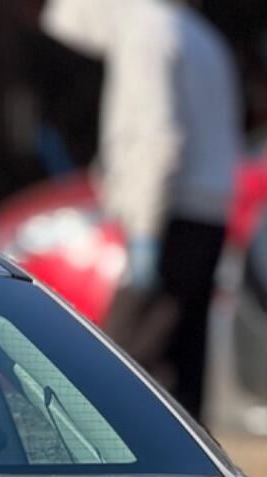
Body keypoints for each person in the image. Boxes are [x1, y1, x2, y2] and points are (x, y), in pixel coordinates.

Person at [36, 0, 244, 421]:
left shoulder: (143, 30)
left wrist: (144, 234)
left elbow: (156, 137)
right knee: (182, 371)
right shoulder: (200, 35)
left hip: (167, 217)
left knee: (117, 372)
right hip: (207, 213)